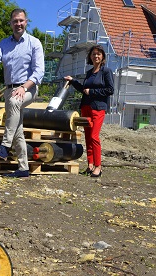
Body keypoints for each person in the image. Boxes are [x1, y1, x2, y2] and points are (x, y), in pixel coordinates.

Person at [0, 8, 44, 178]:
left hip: (29, 88)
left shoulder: (34, 43)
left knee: (16, 103)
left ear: (26, 22)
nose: (18, 24)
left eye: (21, 20)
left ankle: (4, 146)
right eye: (15, 21)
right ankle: (23, 168)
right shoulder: (4, 44)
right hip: (10, 89)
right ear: (10, 23)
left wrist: (24, 87)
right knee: (17, 128)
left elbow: (39, 72)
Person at [64, 44, 114, 178]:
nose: (96, 56)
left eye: (98, 54)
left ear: (102, 56)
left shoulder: (106, 71)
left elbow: (110, 90)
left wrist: (92, 91)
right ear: (90, 57)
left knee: (94, 137)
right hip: (85, 107)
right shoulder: (89, 73)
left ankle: (98, 166)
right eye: (93, 54)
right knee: (87, 137)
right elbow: (83, 90)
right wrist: (73, 81)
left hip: (98, 108)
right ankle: (90, 165)